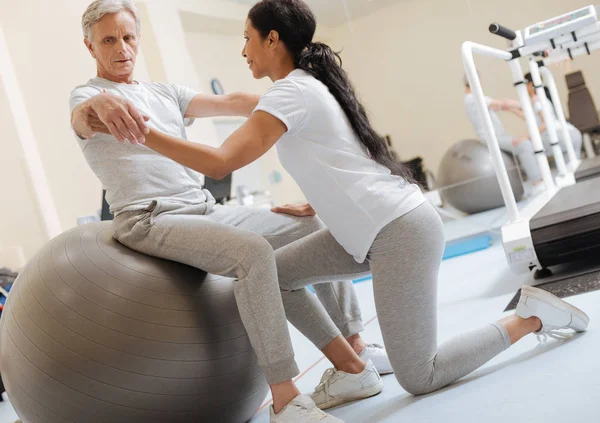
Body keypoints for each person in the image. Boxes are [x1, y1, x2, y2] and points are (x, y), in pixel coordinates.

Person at [93, 0, 590, 413]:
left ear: (272, 41)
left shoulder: (289, 92)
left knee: (421, 374)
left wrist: (143, 132)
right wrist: (319, 202)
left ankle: (531, 317)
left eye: (247, 38)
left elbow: (222, 161)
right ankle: (351, 366)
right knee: (274, 273)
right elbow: (343, 156)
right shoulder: (304, 86)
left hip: (400, 230)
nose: (242, 49)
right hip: (370, 229)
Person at [69, 1, 390, 422]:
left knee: (308, 224)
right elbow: (82, 117)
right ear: (90, 47)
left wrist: (311, 99)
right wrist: (102, 105)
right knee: (253, 255)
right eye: (108, 40)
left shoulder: (162, 93)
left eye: (129, 37)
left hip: (204, 209)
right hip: (149, 219)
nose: (122, 48)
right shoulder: (87, 96)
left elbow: (233, 101)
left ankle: (355, 348)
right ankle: (286, 398)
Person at [463, 75, 543, 184]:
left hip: (498, 135)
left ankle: (538, 178)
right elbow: (501, 104)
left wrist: (514, 107)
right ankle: (537, 181)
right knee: (524, 144)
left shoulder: (473, 99)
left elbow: (500, 106)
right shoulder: (472, 98)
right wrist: (525, 104)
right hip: (491, 138)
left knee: (526, 142)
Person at [523, 72, 582, 160]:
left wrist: (527, 137)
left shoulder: (536, 100)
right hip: (573, 133)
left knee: (528, 147)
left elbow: (545, 123)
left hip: (562, 135)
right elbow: (528, 116)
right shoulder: (543, 98)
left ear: (530, 85)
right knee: (572, 167)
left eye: (524, 85)